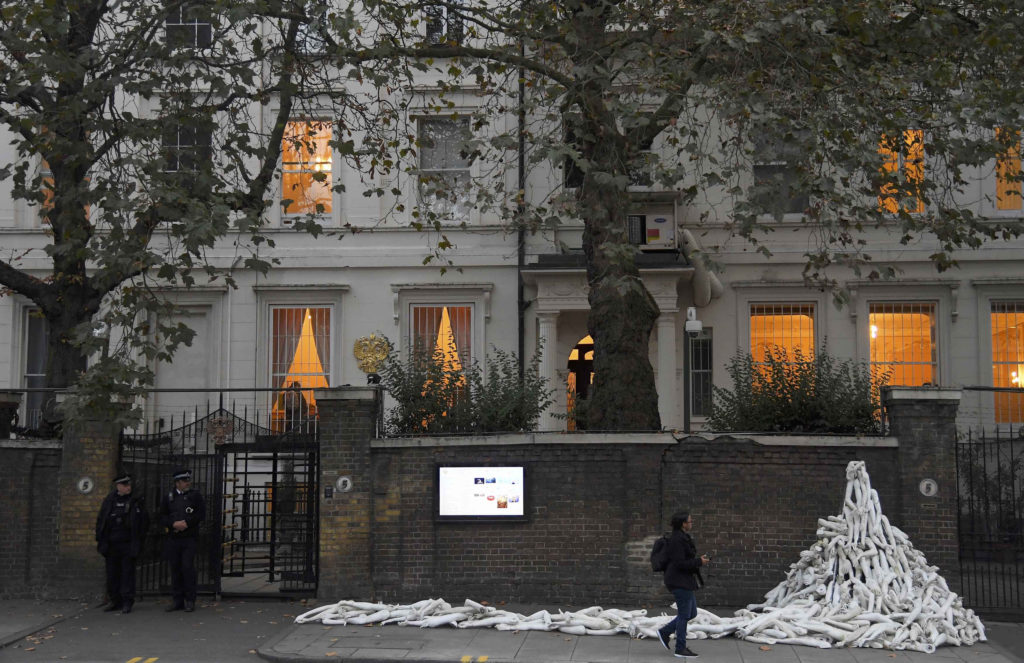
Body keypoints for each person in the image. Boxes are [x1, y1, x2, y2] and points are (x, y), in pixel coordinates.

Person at [656, 511, 709, 659]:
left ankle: (665, 632)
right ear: (683, 524)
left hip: (684, 580)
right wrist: (699, 562)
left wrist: (699, 560)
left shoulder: (682, 537)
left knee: (691, 613)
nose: (692, 523)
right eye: (690, 521)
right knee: (684, 615)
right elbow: (680, 563)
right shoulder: (677, 540)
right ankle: (680, 648)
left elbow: (684, 560)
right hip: (678, 580)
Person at [95, 472, 149, 614]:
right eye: (125, 485)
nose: (128, 487)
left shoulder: (135, 501)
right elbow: (101, 520)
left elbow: (144, 522)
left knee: (127, 574)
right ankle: (115, 601)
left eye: (129, 484)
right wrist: (101, 540)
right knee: (112, 574)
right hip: (112, 544)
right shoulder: (109, 500)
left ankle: (127, 601)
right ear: (118, 486)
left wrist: (138, 541)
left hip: (127, 543)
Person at [159, 468, 205, 612]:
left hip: (189, 538)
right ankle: (177, 600)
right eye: (184, 481)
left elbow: (200, 514)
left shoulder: (195, 496)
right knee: (175, 569)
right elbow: (162, 516)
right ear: (177, 483)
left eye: (188, 480)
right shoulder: (168, 497)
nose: (187, 483)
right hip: (174, 538)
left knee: (187, 568)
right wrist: (173, 524)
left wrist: (187, 523)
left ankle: (190, 600)